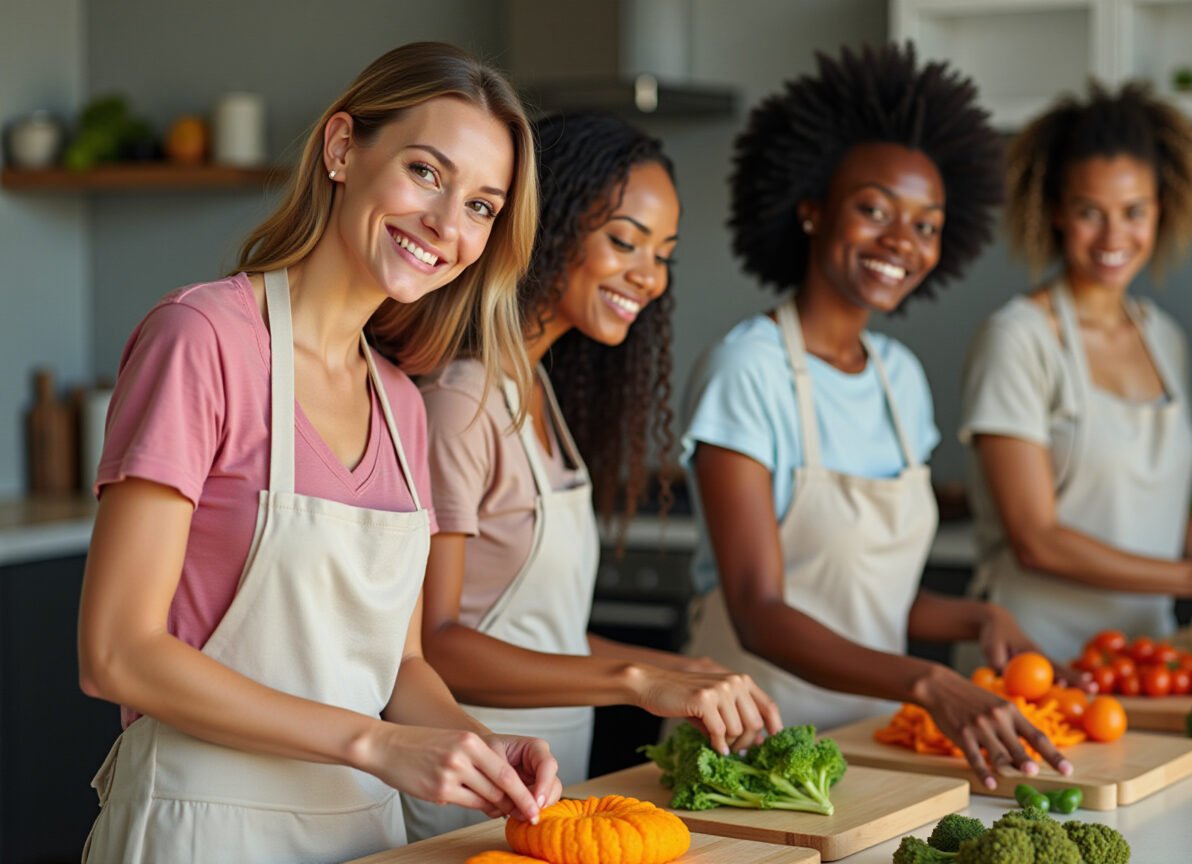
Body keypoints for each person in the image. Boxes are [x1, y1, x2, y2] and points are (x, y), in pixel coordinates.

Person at [76, 42, 560, 864]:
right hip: (199, 828)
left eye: (483, 206)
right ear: (342, 149)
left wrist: (478, 742)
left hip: (364, 835)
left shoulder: (404, 406)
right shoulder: (203, 340)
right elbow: (118, 652)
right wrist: (374, 745)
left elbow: (399, 666)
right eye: (426, 172)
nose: (447, 224)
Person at [682, 42, 1071, 790]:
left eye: (926, 224)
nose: (903, 241)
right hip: (757, 756)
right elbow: (760, 609)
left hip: (877, 744)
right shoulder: (747, 371)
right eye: (874, 209)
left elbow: (872, 598)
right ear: (811, 210)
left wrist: (973, 620)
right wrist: (931, 681)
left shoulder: (900, 380)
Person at [388, 112, 780, 841]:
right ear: (549, 225)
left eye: (663, 253)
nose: (648, 275)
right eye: (625, 241)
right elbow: (437, 643)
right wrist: (637, 683)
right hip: (461, 791)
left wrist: (682, 669)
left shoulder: (533, 388)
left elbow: (550, 636)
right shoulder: (461, 401)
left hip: (540, 783)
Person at [959, 82, 1192, 662]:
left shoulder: (1163, 337)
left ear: (1161, 208)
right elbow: (1036, 541)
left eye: (1134, 212)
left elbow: (1160, 513)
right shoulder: (1017, 339)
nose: (1114, 237)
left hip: (1145, 654)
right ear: (1055, 212)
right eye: (1088, 212)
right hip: (1032, 660)